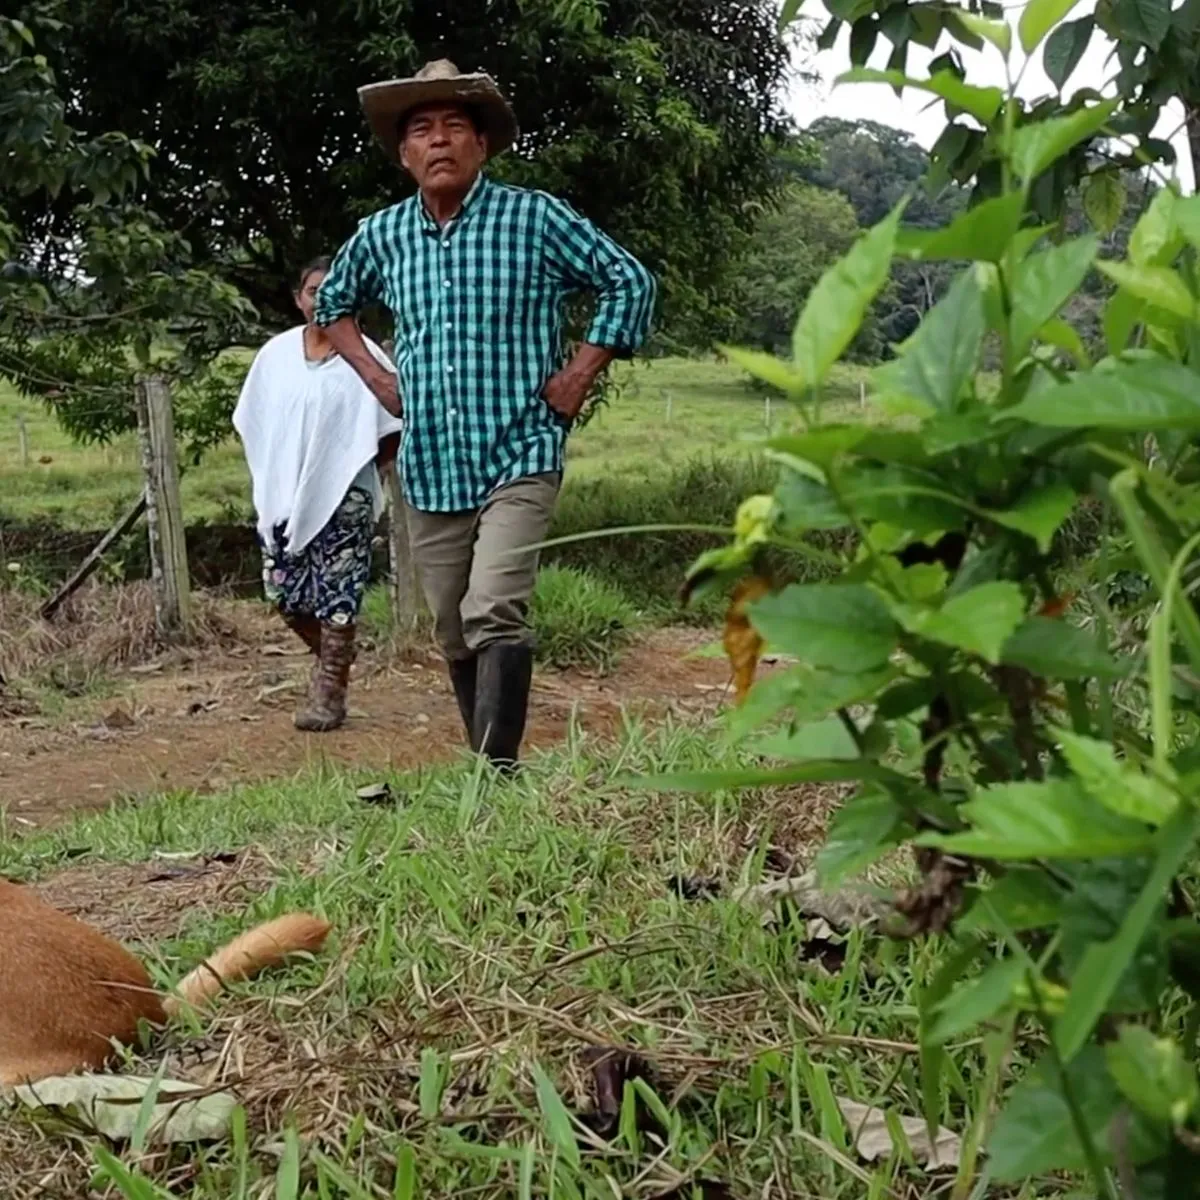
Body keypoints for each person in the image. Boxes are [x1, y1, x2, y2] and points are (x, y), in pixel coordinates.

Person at [315, 59, 657, 772]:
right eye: (422, 130)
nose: (439, 141)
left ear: (482, 144)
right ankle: (488, 767)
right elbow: (333, 305)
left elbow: (629, 279)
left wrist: (580, 373)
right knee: (451, 628)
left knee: (493, 607)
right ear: (404, 153)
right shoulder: (382, 235)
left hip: (520, 448)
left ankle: (495, 775)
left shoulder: (532, 217)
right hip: (433, 459)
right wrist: (379, 377)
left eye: (454, 127)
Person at [233, 257, 404, 732]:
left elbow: (391, 420)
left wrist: (365, 466)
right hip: (284, 491)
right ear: (298, 298)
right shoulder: (275, 356)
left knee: (339, 593)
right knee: (283, 593)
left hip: (347, 493)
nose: (322, 299)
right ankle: (338, 654)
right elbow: (256, 419)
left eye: (333, 290)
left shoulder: (366, 356)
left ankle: (329, 693)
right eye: (312, 291)